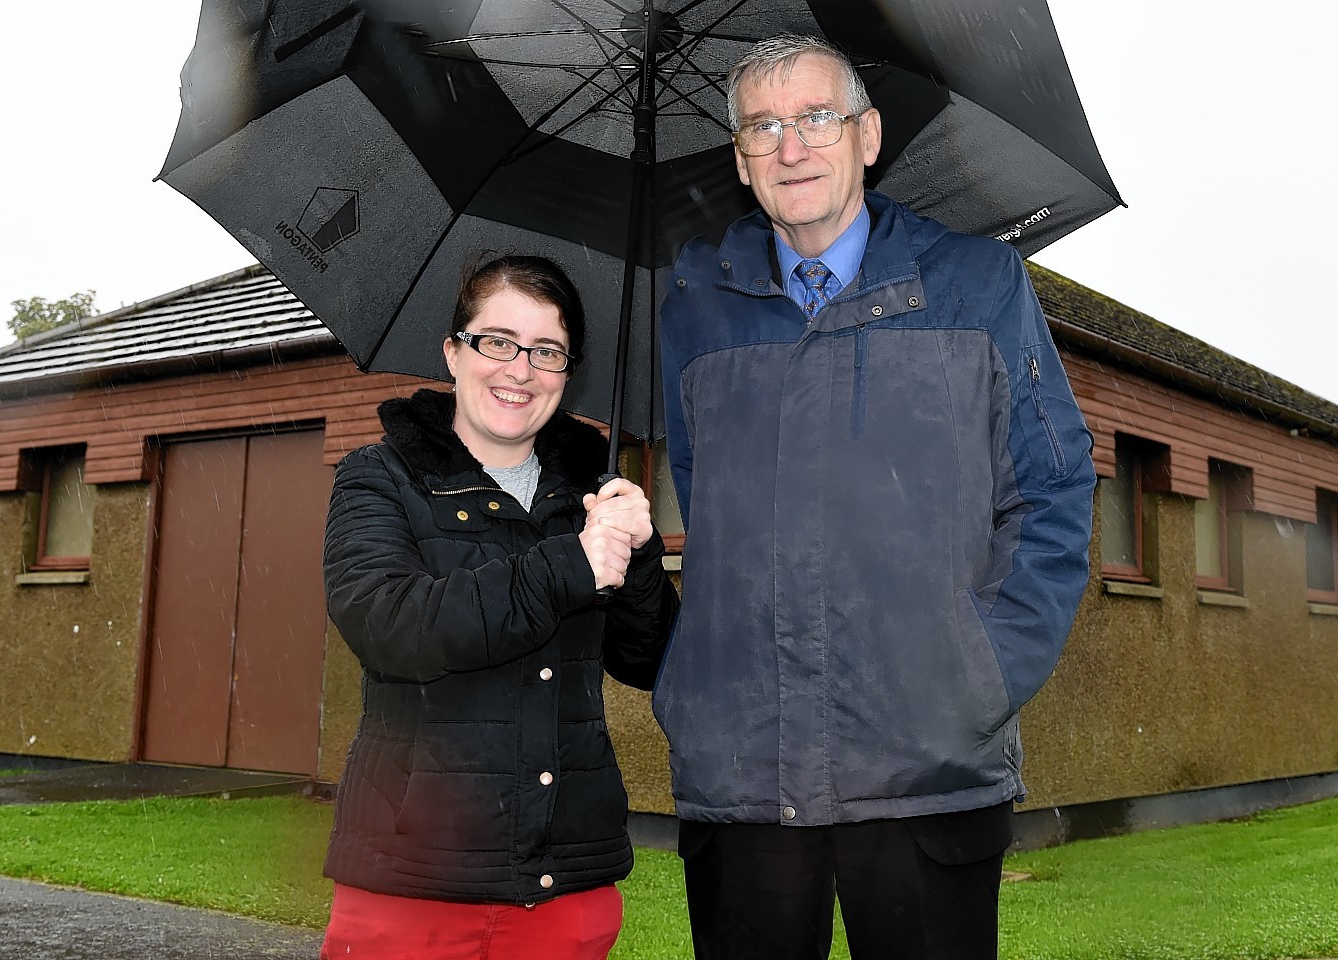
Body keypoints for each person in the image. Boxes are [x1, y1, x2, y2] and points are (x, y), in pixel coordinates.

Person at [655, 35, 1096, 960]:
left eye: (816, 117)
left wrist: (978, 672)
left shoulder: (978, 285)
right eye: (762, 127)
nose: (790, 147)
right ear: (739, 158)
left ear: (867, 136)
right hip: (743, 775)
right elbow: (708, 504)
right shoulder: (693, 302)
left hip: (925, 766)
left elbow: (1051, 491)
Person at [320, 254, 678, 960]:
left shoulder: (589, 496)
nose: (521, 369)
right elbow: (390, 627)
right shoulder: (379, 477)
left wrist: (635, 557)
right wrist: (566, 566)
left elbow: (651, 661)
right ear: (454, 352)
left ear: (567, 371)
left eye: (546, 351)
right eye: (497, 341)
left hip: (564, 889)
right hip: (410, 886)